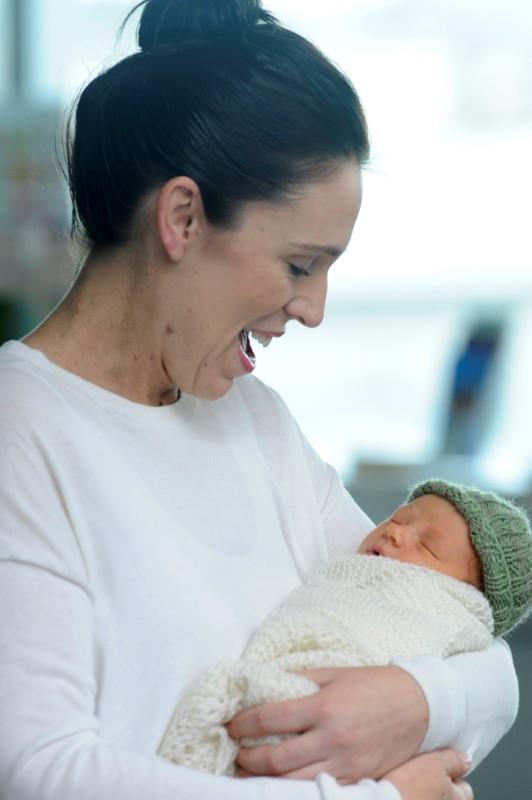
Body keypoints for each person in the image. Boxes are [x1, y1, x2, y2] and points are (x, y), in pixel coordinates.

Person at [0, 1, 518, 799]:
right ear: (182, 217)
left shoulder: (255, 421)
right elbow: (42, 772)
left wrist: (413, 700)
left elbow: (470, 648)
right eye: (300, 265)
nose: (313, 311)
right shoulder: (22, 433)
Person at [157, 479, 532, 776]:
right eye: (398, 518)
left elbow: (494, 672)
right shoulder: (357, 570)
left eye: (429, 546)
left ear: (468, 595)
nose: (395, 533)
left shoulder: (444, 612)